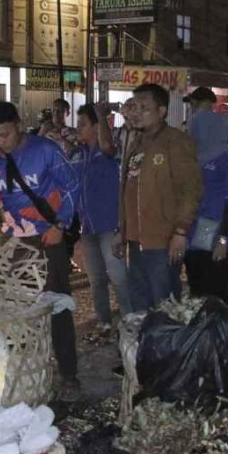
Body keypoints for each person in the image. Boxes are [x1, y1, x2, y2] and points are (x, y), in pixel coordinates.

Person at [0, 101, 82, 400]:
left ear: (18, 125)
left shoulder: (45, 150)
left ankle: (69, 374)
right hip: (13, 240)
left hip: (48, 237)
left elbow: (72, 187)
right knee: (13, 304)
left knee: (56, 304)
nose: (0, 142)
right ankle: (21, 369)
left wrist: (60, 225)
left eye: (5, 134)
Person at [118, 83, 203, 311]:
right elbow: (128, 189)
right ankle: (146, 346)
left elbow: (191, 189)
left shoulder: (175, 142)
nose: (136, 112)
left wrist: (181, 231)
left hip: (162, 241)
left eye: (144, 107)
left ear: (162, 111)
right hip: (136, 243)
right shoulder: (136, 142)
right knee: (140, 306)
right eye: (134, 107)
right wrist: (123, 232)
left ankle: (166, 346)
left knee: (164, 306)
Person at [70, 103, 133, 337]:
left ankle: (129, 321)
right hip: (87, 228)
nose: (78, 128)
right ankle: (104, 321)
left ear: (97, 127)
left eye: (83, 124)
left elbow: (108, 148)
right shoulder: (78, 154)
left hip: (109, 227)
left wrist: (101, 116)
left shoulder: (109, 153)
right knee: (96, 280)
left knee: (119, 278)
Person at [183, 87, 228, 307]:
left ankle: (225, 337)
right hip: (195, 231)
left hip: (216, 231)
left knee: (216, 293)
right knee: (198, 291)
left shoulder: (227, 159)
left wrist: (223, 239)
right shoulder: (194, 157)